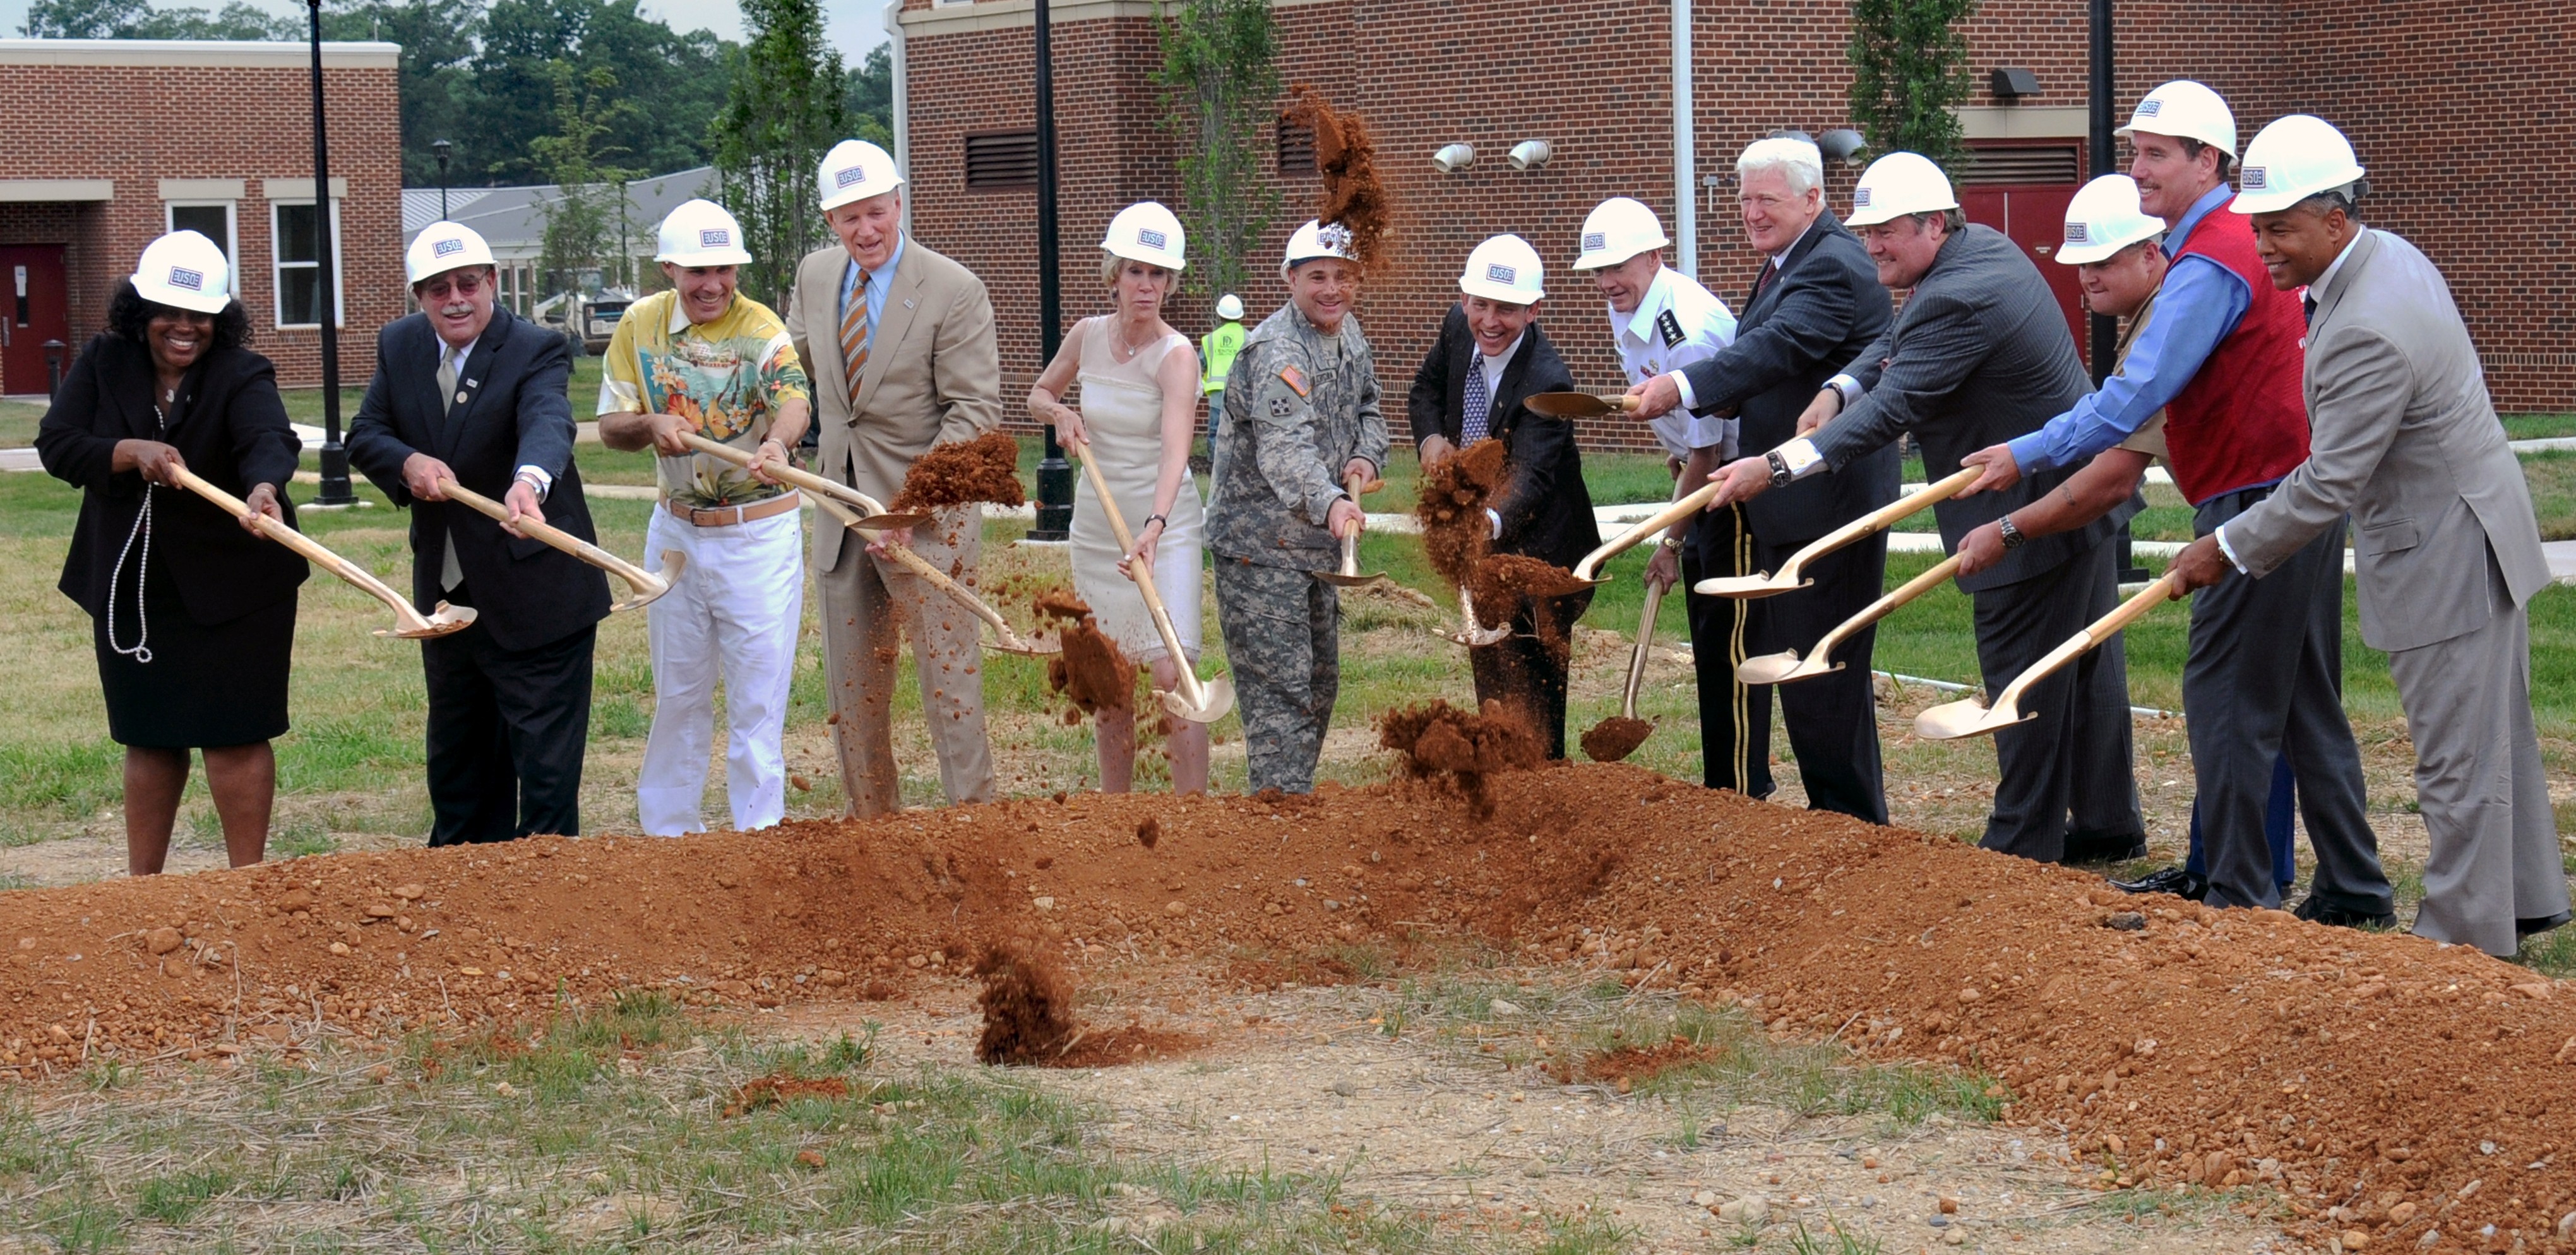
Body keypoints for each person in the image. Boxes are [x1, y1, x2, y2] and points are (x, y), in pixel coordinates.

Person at [1954, 88, 2394, 922]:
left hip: (2256, 498)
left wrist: (2027, 453)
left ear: (2210, 162)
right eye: (2136, 152)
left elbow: (2134, 395)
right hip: (2287, 489)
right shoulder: (2230, 246)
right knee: (2303, 700)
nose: (2139, 169)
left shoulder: (2212, 259)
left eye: (2159, 153)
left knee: (2224, 699)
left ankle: (2236, 898)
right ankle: (2354, 888)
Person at [2168, 115, 2570, 956]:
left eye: (2280, 229)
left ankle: (2464, 939)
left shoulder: (2366, 328)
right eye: (2256, 228)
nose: (2265, 247)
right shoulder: (2387, 256)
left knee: (2457, 760)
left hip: (2447, 549)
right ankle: (2524, 902)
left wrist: (2227, 547)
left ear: (2336, 219)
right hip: (2475, 519)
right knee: (2494, 741)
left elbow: (2328, 484)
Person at [1705, 152, 2146, 865]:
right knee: (2086, 670)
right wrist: (1840, 386)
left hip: (2029, 513)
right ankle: (2106, 824)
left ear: (1934, 224)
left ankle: (2020, 846)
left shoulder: (1958, 296)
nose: (1871, 243)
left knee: (2023, 680)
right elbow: (1896, 341)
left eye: (1886, 231)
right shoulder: (1976, 256)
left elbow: (1896, 406)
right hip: (2078, 494)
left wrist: (1777, 465)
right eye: (1866, 228)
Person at [1624, 136, 1899, 823]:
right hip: (1791, 497)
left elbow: (1774, 350)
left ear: (1814, 199)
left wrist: (1681, 386)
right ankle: (1837, 816)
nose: (1751, 212)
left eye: (1767, 199)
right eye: (1744, 198)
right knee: (1805, 667)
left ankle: (1850, 824)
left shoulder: (1831, 264)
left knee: (1820, 667)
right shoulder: (1787, 261)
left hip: (1827, 499)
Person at [38, 230, 306, 874]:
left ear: (220, 318)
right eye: (169, 314)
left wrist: (264, 488)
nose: (184, 328)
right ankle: (146, 889)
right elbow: (59, 444)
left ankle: (247, 883)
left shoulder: (243, 372)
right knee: (150, 737)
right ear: (140, 312)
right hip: (135, 589)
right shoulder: (104, 360)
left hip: (239, 587)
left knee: (235, 734)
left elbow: (269, 435)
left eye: (201, 316)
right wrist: (130, 452)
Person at [349, 221, 611, 845]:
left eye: (469, 282)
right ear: (419, 296)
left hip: (536, 593)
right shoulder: (400, 345)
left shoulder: (535, 347)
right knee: (460, 763)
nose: (456, 297)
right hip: (448, 600)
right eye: (438, 288)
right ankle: (462, 898)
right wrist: (406, 462)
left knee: (544, 776)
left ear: (493, 282)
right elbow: (366, 434)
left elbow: (548, 418)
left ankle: (543, 901)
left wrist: (530, 482)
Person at [785, 139, 1003, 817]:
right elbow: (791, 372)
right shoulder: (816, 277)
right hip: (840, 516)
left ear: (900, 203)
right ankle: (874, 835)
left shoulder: (953, 289)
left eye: (877, 212)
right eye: (850, 218)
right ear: (830, 221)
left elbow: (975, 411)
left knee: (949, 683)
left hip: (928, 521)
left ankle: (975, 830)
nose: (867, 230)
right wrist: (777, 433)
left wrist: (912, 505)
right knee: (853, 691)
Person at [597, 199, 814, 835]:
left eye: (724, 268)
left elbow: (793, 397)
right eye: (697, 271)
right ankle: (669, 839)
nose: (713, 283)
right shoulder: (639, 326)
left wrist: (778, 442)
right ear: (669, 269)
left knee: (756, 701)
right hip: (677, 536)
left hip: (758, 533)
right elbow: (610, 425)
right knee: (680, 697)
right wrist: (651, 423)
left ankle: (758, 835)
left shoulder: (760, 327)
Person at [1568, 197, 1753, 793]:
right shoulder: (1632, 305)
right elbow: (1683, 434)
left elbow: (1710, 450)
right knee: (1707, 633)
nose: (1607, 282)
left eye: (1618, 267)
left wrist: (1670, 543)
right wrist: (1671, 445)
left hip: (1735, 488)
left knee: (1725, 638)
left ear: (1654, 256)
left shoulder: (1687, 334)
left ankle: (1741, 786)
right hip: (1701, 469)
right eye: (1598, 271)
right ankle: (1721, 781)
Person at [1027, 201, 1211, 793]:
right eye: (1136, 271)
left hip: (1164, 525)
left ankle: (1192, 815)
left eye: (1159, 274)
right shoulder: (1086, 336)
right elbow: (1037, 393)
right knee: (1111, 673)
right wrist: (1059, 412)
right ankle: (1117, 811)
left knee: (1170, 670)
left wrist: (1155, 527)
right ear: (1114, 274)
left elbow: (1175, 451)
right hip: (1098, 526)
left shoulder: (1177, 355)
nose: (1148, 286)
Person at [1206, 218, 1389, 794]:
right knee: (1280, 702)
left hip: (1315, 549)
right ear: (1289, 279)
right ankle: (1277, 835)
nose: (1332, 289)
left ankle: (1291, 823)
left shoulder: (1349, 332)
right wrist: (1334, 503)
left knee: (1318, 687)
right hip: (1260, 552)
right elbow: (1284, 452)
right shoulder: (1277, 351)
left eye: (1343, 276)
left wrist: (1367, 457)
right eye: (1317, 276)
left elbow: (1369, 408)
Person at [1407, 234, 1598, 758]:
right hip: (1485, 534)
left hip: (1544, 548)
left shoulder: (1548, 381)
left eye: (1508, 310)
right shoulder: (1456, 327)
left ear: (1534, 310)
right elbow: (1425, 388)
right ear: (1464, 299)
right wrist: (1431, 442)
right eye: (1481, 305)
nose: (1490, 321)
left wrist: (1483, 523)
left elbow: (1532, 478)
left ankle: (1541, 786)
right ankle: (1500, 776)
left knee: (1534, 684)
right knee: (1490, 663)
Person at [1201, 292, 1245, 448]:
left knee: (1216, 431)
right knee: (1241, 431)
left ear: (1220, 315)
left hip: (1217, 392)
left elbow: (1200, 364)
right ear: (1241, 315)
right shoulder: (1249, 337)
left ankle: (1214, 466)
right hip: (1241, 393)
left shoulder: (1210, 339)